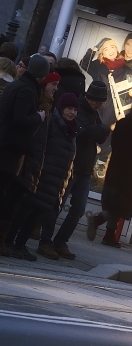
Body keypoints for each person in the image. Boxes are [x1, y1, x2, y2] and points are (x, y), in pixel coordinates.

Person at [19, 94, 79, 261]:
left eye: (75, 109)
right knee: (29, 211)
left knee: (37, 213)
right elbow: (41, 146)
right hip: (44, 175)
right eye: (69, 108)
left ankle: (19, 245)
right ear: (61, 108)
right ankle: (15, 244)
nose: (72, 113)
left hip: (56, 179)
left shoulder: (72, 129)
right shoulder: (53, 122)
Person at [88, 97, 132, 248]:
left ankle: (108, 233)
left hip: (117, 167)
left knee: (113, 201)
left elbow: (114, 143)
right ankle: (100, 223)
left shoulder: (122, 123)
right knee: (121, 204)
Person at [0, 54, 49, 256]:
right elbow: (20, 119)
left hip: (6, 147)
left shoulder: (18, 85)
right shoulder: (26, 90)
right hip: (10, 151)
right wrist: (38, 117)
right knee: (4, 195)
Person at [62, 82, 111, 256]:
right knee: (58, 205)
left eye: (102, 102)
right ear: (89, 98)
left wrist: (100, 131)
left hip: (85, 167)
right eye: (97, 101)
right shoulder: (80, 108)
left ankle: (61, 241)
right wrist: (102, 129)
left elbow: (100, 138)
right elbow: (83, 132)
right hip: (74, 164)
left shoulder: (94, 113)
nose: (99, 105)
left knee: (79, 207)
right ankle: (45, 239)